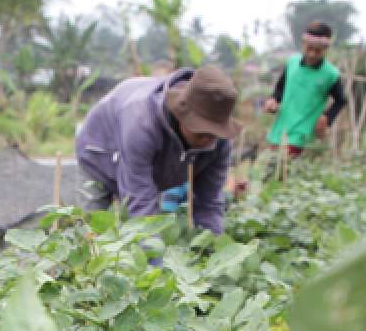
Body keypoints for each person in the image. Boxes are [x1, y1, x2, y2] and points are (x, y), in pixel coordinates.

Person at [75, 65, 242, 234]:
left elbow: (209, 202)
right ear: (181, 113)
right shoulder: (142, 123)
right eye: (202, 131)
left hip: (150, 167)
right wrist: (152, 257)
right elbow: (140, 202)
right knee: (94, 230)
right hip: (100, 155)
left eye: (215, 133)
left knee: (142, 226)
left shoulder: (219, 142)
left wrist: (213, 251)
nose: (208, 140)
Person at [264, 21, 347, 159]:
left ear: (325, 49)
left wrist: (327, 117)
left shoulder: (331, 74)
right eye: (309, 48)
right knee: (271, 174)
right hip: (279, 130)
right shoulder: (292, 63)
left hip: (303, 135)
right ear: (303, 44)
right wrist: (273, 100)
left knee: (285, 172)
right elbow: (280, 88)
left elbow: (340, 100)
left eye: (318, 51)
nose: (313, 54)